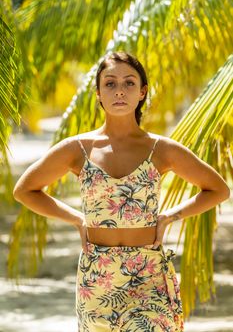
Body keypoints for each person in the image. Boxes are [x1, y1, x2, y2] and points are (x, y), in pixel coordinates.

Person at [13, 51, 230, 332]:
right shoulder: (78, 149)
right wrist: (78, 219)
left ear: (142, 92)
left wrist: (170, 217)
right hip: (97, 277)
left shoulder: (161, 149)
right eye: (110, 83)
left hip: (148, 276)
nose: (119, 91)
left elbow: (218, 189)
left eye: (129, 83)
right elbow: (25, 190)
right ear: (98, 94)